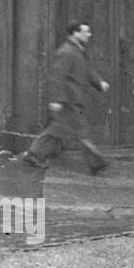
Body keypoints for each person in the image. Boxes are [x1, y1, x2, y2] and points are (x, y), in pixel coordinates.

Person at [21, 21, 110, 175]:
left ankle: (33, 155)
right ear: (75, 33)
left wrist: (99, 83)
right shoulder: (66, 52)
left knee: (56, 131)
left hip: (72, 100)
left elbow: (87, 70)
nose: (89, 35)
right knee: (79, 131)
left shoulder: (77, 51)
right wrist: (56, 100)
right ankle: (96, 162)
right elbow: (56, 78)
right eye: (86, 32)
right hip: (67, 101)